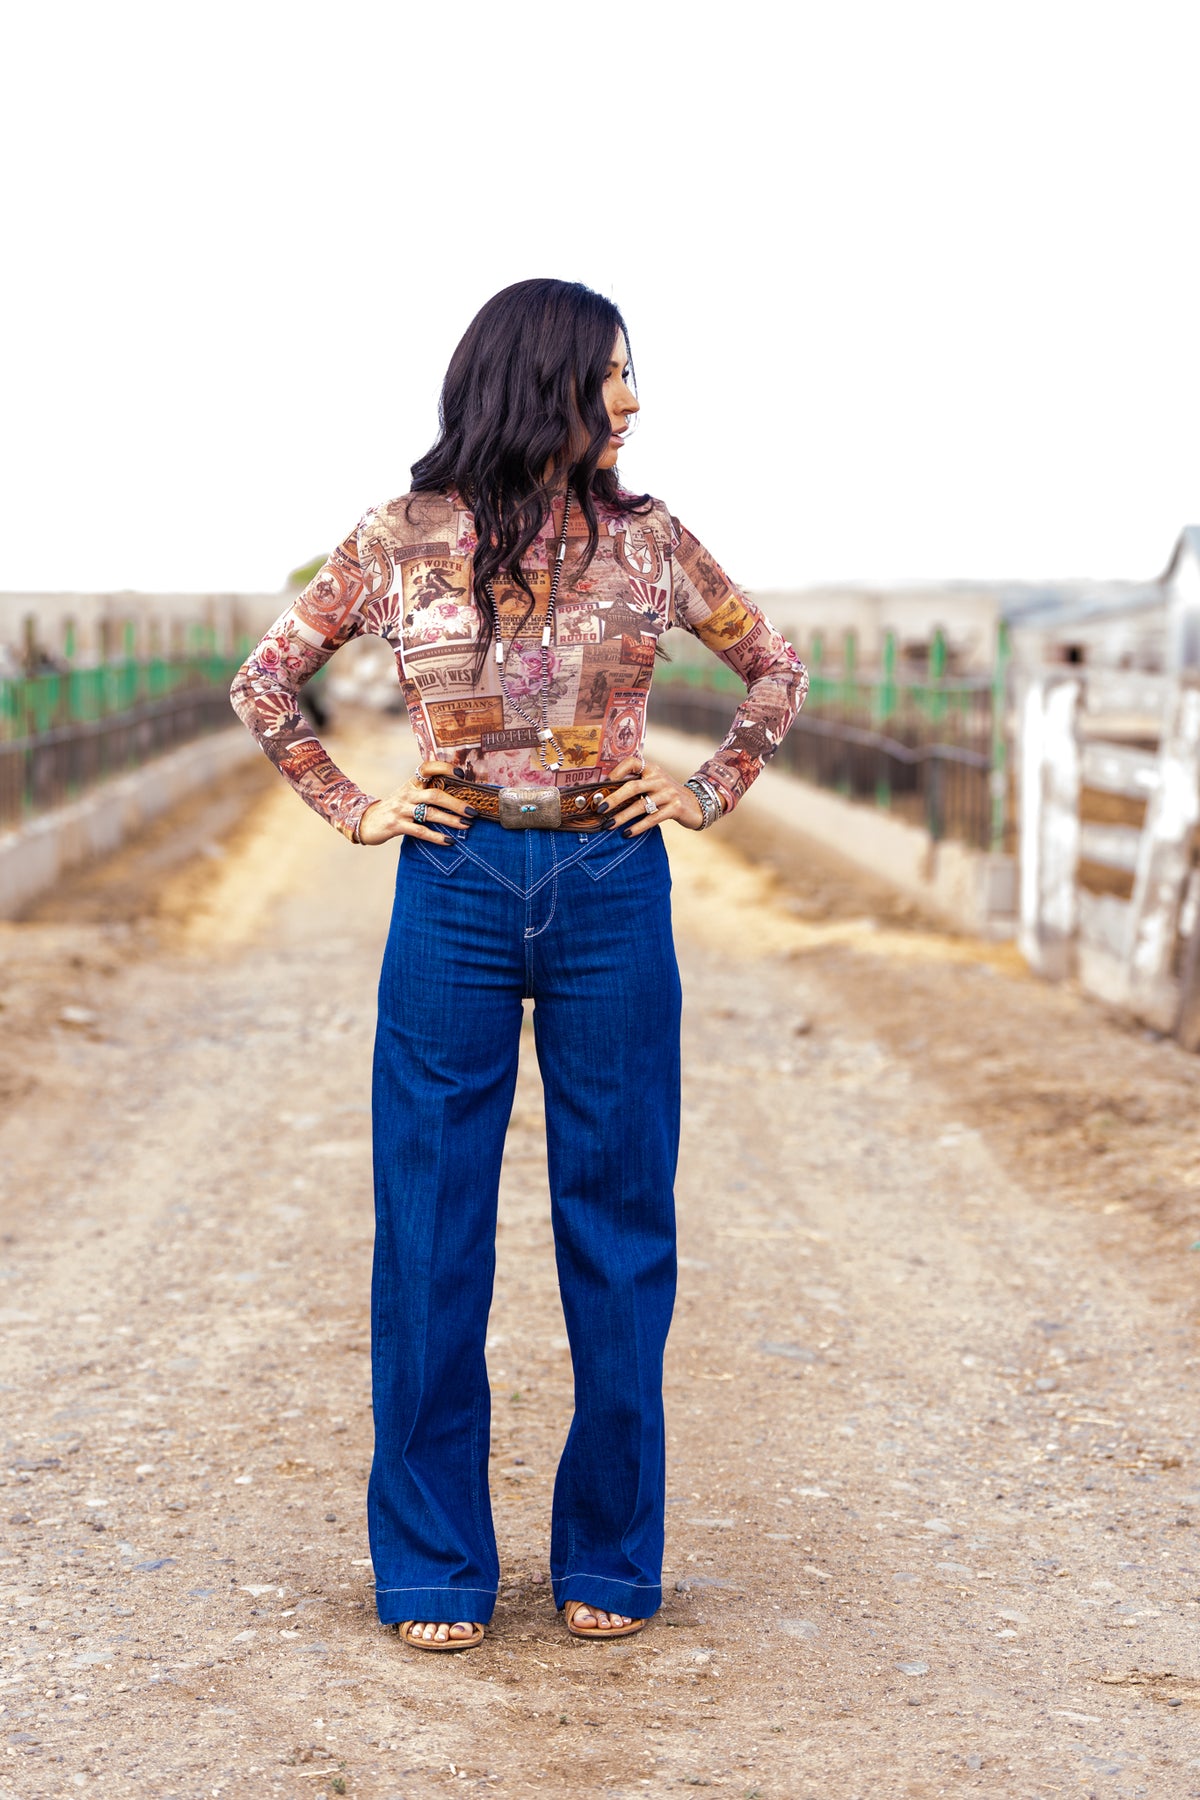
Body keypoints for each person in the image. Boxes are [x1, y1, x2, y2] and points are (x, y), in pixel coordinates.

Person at [231, 279, 807, 1651]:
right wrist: (355, 808)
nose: (634, 401)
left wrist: (706, 789)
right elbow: (264, 682)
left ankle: (611, 1551)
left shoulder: (653, 540)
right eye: (613, 375)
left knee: (621, 1226)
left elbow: (778, 671)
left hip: (614, 886)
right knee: (431, 1229)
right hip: (455, 885)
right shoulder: (399, 537)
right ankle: (435, 1566)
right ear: (542, 379)